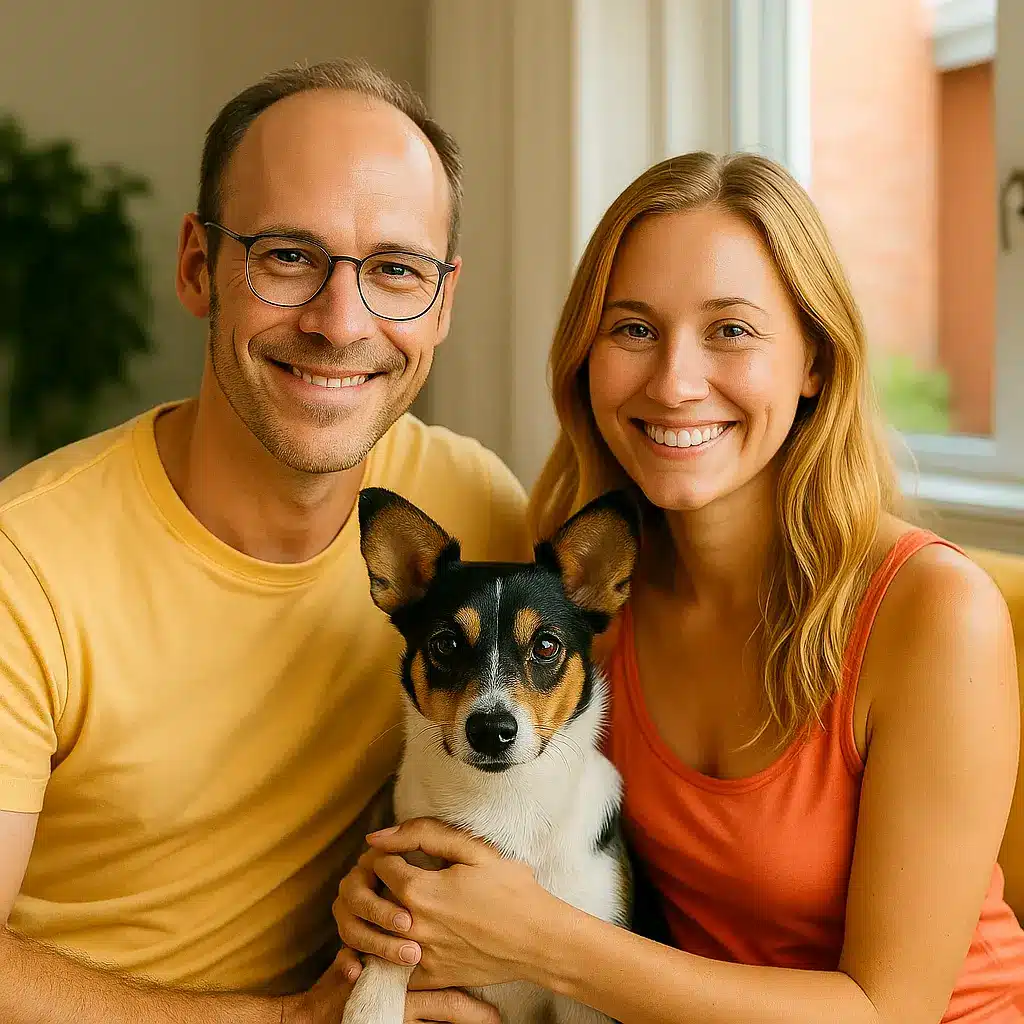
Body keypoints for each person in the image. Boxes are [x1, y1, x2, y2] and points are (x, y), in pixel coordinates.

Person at [334, 150, 1024, 1022]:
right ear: (587, 358)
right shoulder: (581, 605)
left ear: (813, 359)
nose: (675, 382)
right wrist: (404, 913)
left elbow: (890, 1013)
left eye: (730, 330)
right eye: (632, 330)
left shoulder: (932, 614)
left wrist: (539, 941)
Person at [0, 58, 529, 1024]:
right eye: (288, 256)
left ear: (443, 304)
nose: (340, 322)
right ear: (199, 265)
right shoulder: (24, 568)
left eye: (395, 271)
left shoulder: (470, 515)